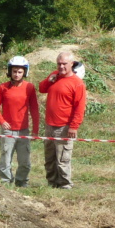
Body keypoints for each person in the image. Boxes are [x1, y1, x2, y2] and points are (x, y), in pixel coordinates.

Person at [39, 51, 86, 189]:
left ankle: (65, 184)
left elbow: (80, 107)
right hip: (49, 125)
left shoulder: (77, 83)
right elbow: (42, 88)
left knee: (62, 158)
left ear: (71, 64)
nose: (61, 67)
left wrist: (74, 126)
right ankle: (52, 183)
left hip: (64, 126)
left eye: (64, 64)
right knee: (50, 157)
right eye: (59, 64)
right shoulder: (55, 75)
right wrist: (49, 80)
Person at [0, 56, 40, 187]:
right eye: (14, 71)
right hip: (8, 130)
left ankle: (22, 181)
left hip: (24, 130)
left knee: (25, 160)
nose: (17, 74)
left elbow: (34, 109)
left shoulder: (29, 87)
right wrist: (2, 121)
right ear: (10, 71)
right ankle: (6, 182)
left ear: (25, 72)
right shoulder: (3, 87)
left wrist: (35, 130)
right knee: (5, 159)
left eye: (20, 72)